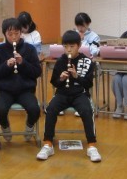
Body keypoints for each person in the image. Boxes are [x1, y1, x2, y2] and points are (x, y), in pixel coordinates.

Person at [37, 30, 100, 163]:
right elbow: (54, 82)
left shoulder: (87, 61)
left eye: (72, 46)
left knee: (87, 111)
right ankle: (48, 144)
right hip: (62, 93)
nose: (69, 50)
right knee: (50, 109)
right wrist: (61, 79)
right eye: (65, 47)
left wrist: (77, 76)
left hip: (80, 94)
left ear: (79, 45)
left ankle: (91, 145)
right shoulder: (61, 61)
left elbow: (89, 84)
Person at [0, 18, 41, 142]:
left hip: (25, 90)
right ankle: (5, 126)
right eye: (10, 34)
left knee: (35, 109)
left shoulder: (30, 49)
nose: (13, 37)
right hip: (5, 91)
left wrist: (23, 63)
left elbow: (37, 72)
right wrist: (6, 65)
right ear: (4, 34)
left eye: (16, 33)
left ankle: (30, 126)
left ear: (21, 33)